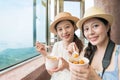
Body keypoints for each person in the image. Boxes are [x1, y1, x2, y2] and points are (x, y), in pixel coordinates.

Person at [69, 6, 120, 80]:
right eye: (86, 29)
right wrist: (74, 59)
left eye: (95, 26)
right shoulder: (85, 52)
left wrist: (95, 78)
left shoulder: (118, 55)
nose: (90, 32)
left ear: (107, 27)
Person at [36, 12, 84, 80]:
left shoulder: (82, 48)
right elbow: (51, 72)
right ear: (57, 32)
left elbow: (82, 75)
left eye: (67, 27)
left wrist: (70, 61)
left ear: (73, 27)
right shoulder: (57, 45)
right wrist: (44, 54)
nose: (64, 32)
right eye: (60, 29)